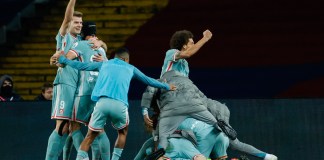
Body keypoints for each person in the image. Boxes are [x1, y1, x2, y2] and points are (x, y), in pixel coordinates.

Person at [57, 47, 176, 160]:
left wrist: (63, 60)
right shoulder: (130, 68)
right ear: (125, 59)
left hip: (102, 103)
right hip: (119, 105)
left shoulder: (104, 64)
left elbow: (80, 65)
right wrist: (167, 86)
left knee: (90, 136)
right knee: (122, 133)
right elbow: (148, 80)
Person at [141, 71, 277, 160]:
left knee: (165, 139)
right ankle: (266, 156)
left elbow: (149, 92)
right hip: (213, 116)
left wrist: (145, 112)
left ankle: (161, 152)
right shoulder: (189, 83)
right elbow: (203, 98)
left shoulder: (160, 82)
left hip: (185, 121)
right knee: (234, 142)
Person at [45, 0, 106, 159]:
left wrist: (100, 43)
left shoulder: (80, 40)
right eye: (76, 22)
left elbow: (100, 45)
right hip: (64, 83)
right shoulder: (64, 36)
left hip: (78, 86)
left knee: (72, 125)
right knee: (62, 125)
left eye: (80, 22)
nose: (79, 25)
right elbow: (66, 19)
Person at [60, 21, 110, 160]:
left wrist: (58, 59)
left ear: (82, 33)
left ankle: (83, 158)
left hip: (84, 91)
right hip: (99, 94)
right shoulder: (101, 49)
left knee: (74, 125)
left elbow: (66, 59)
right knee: (98, 130)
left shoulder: (80, 44)